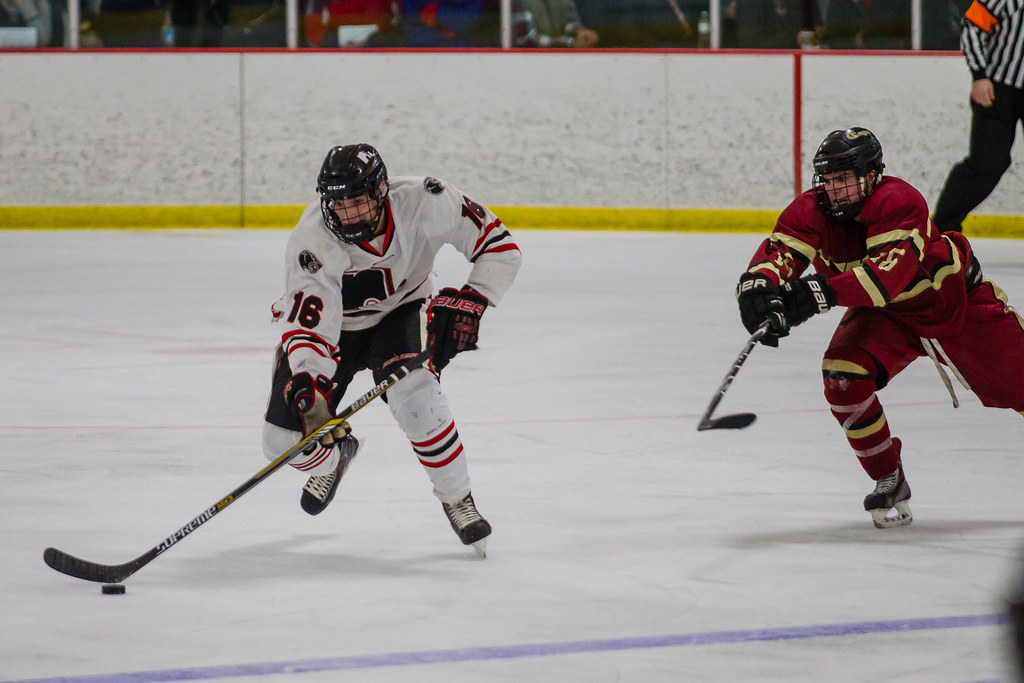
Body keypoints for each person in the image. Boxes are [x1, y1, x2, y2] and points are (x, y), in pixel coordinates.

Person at [735, 127, 1024, 529]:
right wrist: (758, 287)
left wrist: (813, 294)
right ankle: (889, 476)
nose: (835, 190)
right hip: (886, 315)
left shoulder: (899, 201)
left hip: (951, 303)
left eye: (845, 179)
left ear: (871, 175)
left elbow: (884, 279)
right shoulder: (811, 209)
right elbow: (781, 253)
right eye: (829, 180)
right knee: (842, 377)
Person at [261, 143, 521, 556]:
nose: (346, 214)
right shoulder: (312, 240)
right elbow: (311, 326)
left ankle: (458, 498)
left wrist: (475, 299)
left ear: (381, 190)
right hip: (336, 332)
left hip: (400, 312)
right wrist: (312, 389)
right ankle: (337, 456)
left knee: (417, 398)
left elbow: (499, 246)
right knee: (280, 443)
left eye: (357, 202)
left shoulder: (427, 200)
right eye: (337, 204)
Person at [932, 0, 1024, 233]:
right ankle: (943, 228)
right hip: (998, 89)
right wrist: (979, 74)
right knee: (987, 162)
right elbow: (973, 25)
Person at [512, 0, 598, 48]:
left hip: (561, 59)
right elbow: (528, 39)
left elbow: (569, 23)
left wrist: (579, 32)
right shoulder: (520, 1)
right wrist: (571, 43)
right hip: (527, 62)